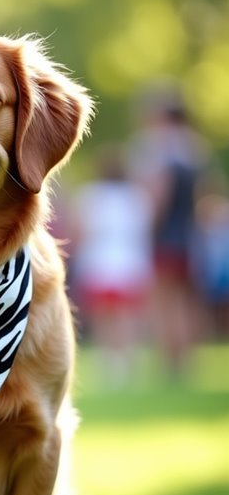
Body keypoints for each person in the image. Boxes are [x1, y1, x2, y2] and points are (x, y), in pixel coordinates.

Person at [128, 85, 208, 376]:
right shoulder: (195, 148)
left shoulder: (157, 147)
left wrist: (146, 230)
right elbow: (205, 196)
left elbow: (158, 194)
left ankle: (169, 363)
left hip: (163, 237)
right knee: (186, 300)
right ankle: (185, 361)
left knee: (163, 300)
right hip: (188, 235)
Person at [70, 145, 154, 384]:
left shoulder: (90, 195)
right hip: (130, 263)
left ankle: (108, 362)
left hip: (99, 263)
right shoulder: (136, 196)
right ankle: (127, 361)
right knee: (126, 316)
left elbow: (79, 231)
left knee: (102, 315)